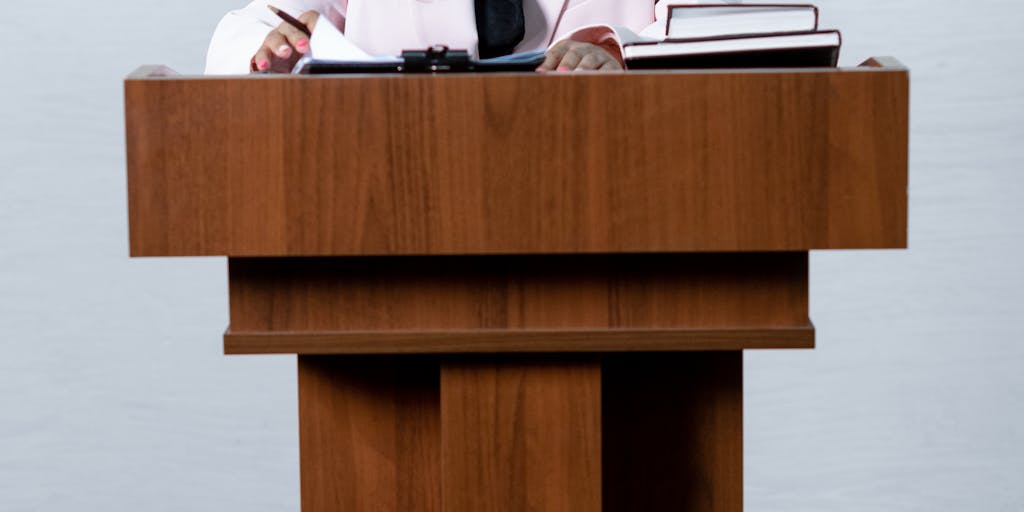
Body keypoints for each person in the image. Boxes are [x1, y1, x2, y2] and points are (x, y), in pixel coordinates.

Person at [205, 0, 665, 75]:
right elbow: (257, 25)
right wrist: (274, 51)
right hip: (389, 198)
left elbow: (717, 27)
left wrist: (617, 49)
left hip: (607, 185)